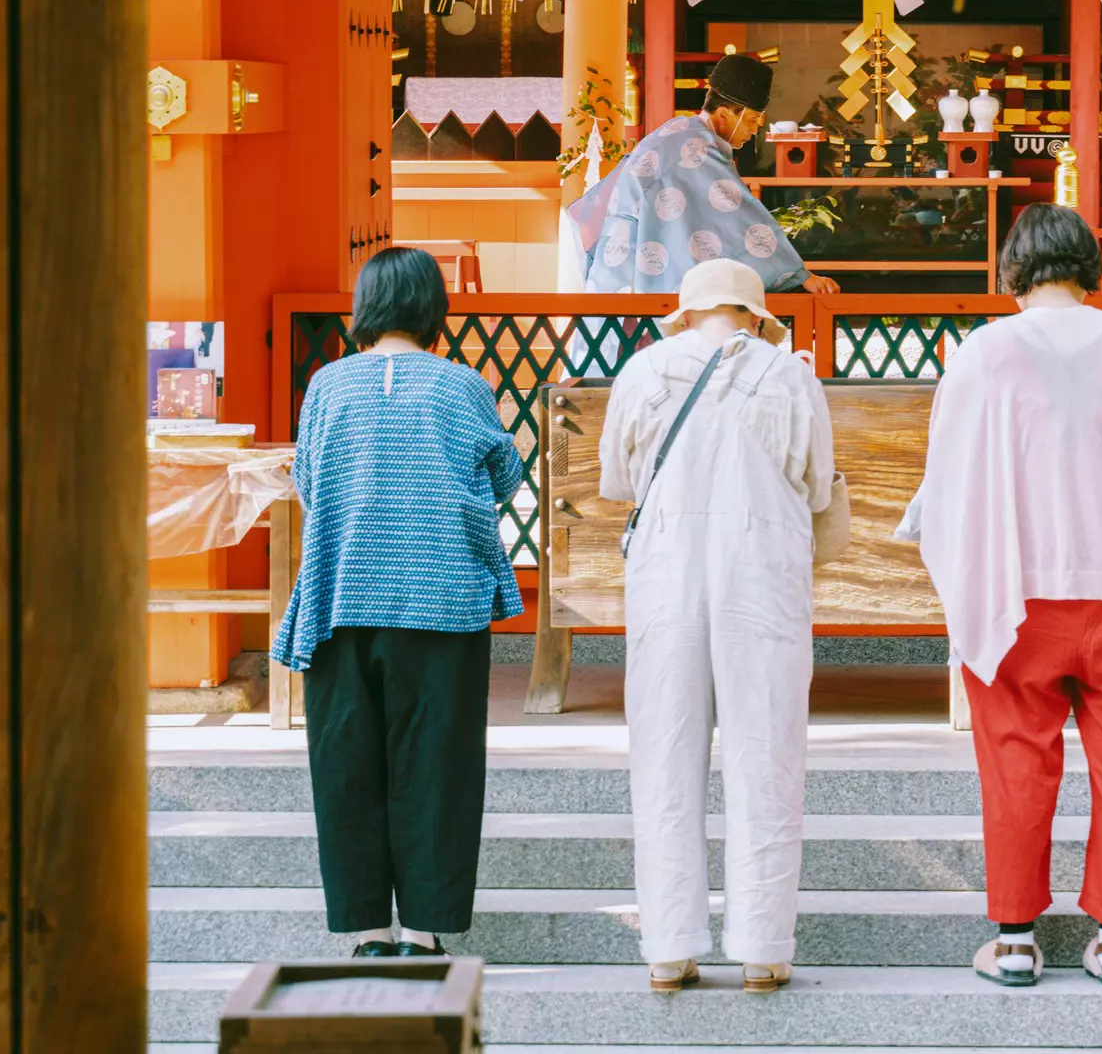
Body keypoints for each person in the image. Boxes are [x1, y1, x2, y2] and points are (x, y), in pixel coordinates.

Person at [913, 204, 1102, 989]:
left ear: (1013, 269)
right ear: (1089, 265)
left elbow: (949, 469)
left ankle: (1017, 937)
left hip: (1017, 596)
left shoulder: (987, 350)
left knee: (1015, 765)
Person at [271, 246, 523, 959]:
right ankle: (423, 928)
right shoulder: (461, 385)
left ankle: (367, 930)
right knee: (437, 764)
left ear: (367, 305)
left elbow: (309, 481)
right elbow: (506, 474)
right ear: (431, 307)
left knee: (348, 764)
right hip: (441, 603)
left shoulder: (327, 385)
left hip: (341, 597)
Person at [597, 258, 836, 994]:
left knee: (665, 755)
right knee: (767, 752)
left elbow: (615, 481)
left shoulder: (642, 371)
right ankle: (764, 947)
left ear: (688, 311)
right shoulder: (792, 374)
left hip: (667, 575)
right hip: (763, 575)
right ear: (755, 313)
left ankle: (670, 946)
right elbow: (819, 484)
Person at [569, 53, 840, 298]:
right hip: (635, 268)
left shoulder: (678, 131)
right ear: (724, 114)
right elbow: (737, 217)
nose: (755, 130)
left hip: (619, 265)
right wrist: (800, 275)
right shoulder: (696, 148)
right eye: (751, 120)